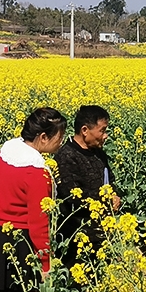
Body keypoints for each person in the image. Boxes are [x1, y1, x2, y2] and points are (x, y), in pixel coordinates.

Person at [0, 107, 67, 292]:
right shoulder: (35, 172)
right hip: (18, 238)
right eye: (59, 136)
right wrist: (45, 263)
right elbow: (39, 221)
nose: (61, 141)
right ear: (43, 137)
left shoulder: (6, 152)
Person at [55, 104, 121, 265]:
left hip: (101, 234)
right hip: (76, 237)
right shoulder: (66, 157)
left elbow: (109, 179)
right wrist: (103, 201)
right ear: (85, 130)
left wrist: (115, 195)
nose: (105, 136)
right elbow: (71, 196)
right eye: (102, 130)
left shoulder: (98, 153)